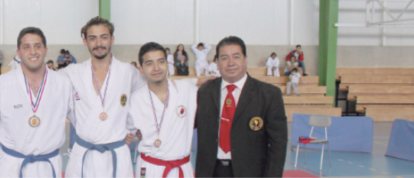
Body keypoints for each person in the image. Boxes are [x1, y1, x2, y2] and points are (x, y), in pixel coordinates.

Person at [0, 27, 74, 178]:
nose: (33, 52)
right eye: (26, 47)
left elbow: (82, 119)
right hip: (11, 166)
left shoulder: (63, 83)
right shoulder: (1, 84)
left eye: (37, 46)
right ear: (18, 53)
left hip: (48, 166)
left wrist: (119, 131)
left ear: (45, 50)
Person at [195, 36, 287, 177]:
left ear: (245, 59)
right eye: (224, 58)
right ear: (217, 63)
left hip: (251, 173)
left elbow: (278, 144)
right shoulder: (204, 92)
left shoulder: (268, 94)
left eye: (236, 57)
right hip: (210, 172)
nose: (231, 63)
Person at [60, 16, 141, 178]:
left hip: (117, 154)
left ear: (112, 39)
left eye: (104, 37)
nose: (98, 43)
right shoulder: (72, 73)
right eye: (92, 38)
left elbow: (145, 99)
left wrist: (131, 129)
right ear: (85, 41)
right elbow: (43, 83)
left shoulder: (128, 72)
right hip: (84, 155)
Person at [130, 42, 198, 178]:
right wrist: (135, 136)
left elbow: (211, 84)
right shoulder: (134, 99)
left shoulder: (186, 89)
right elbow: (127, 132)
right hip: (150, 168)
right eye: (149, 63)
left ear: (167, 64)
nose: (156, 68)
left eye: (161, 61)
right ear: (141, 69)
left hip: (181, 168)